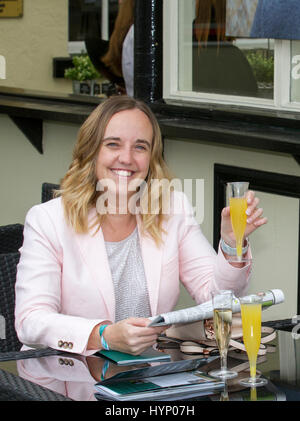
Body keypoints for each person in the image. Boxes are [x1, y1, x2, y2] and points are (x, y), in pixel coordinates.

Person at [15, 95, 267, 357]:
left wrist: (230, 242)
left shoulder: (172, 208)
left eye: (140, 147)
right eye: (113, 144)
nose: (126, 158)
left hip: (147, 376)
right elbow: (31, 320)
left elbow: (218, 298)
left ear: (151, 158)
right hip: (68, 377)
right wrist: (103, 335)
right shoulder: (47, 220)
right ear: (91, 150)